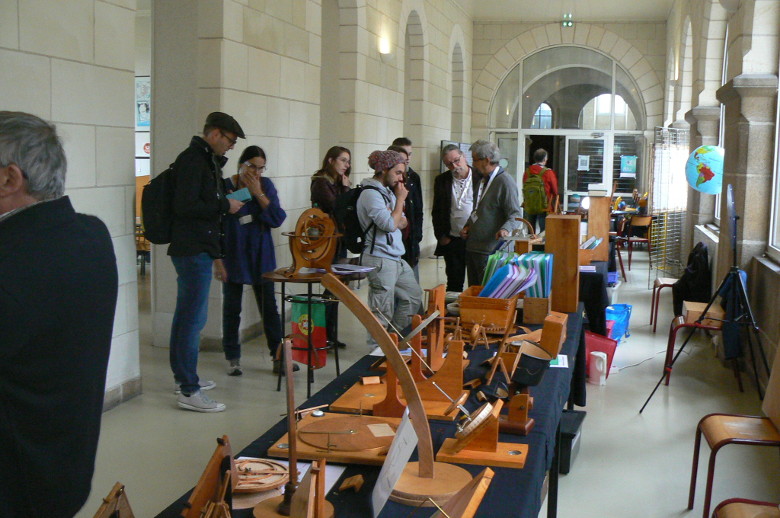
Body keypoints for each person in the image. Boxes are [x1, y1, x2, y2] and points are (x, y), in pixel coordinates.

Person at [0, 111, 118, 516]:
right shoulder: (91, 234)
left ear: (9, 179)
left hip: (14, 483)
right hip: (64, 468)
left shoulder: (11, 264)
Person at [168, 111, 245, 412]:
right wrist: (226, 204)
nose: (230, 147)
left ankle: (183, 378)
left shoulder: (204, 160)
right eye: (229, 141)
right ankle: (189, 390)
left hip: (196, 247)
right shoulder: (193, 160)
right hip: (192, 248)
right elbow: (186, 205)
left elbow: (206, 200)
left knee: (187, 317)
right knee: (192, 320)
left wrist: (237, 194)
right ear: (214, 134)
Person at [213, 146, 288, 376]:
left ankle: (278, 356)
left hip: (260, 253)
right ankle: (233, 358)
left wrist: (258, 193)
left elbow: (277, 218)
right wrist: (217, 261)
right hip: (233, 253)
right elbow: (215, 225)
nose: (256, 172)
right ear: (241, 164)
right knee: (232, 307)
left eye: (260, 168)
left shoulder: (266, 186)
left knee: (269, 308)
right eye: (252, 166)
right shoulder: (225, 186)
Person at [358, 149, 423, 347]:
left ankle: (393, 342)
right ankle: (374, 353)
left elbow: (402, 221)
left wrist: (394, 216)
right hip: (379, 259)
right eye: (397, 172)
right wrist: (399, 203)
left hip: (395, 257)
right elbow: (389, 224)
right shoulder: (370, 194)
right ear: (383, 170)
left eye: (403, 173)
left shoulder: (387, 192)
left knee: (413, 297)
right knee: (381, 312)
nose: (401, 178)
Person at [461, 140, 522, 286]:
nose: (473, 164)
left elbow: (516, 214)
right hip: (473, 247)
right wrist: (468, 226)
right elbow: (480, 209)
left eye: (475, 160)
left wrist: (505, 229)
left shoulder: (505, 182)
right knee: (474, 293)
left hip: (490, 251)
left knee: (487, 295)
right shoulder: (482, 179)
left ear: (487, 160)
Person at [310, 146, 352, 349]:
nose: (347, 165)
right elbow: (337, 206)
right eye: (343, 160)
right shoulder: (320, 182)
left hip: (338, 239)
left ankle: (330, 335)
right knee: (331, 288)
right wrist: (345, 189)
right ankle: (324, 335)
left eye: (348, 161)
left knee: (336, 289)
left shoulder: (335, 182)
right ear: (330, 160)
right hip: (327, 242)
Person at [432, 144, 481, 292]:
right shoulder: (442, 180)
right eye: (449, 164)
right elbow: (437, 210)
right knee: (454, 281)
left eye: (456, 160)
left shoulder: (480, 177)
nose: (454, 166)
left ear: (464, 157)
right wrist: (441, 236)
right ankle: (452, 312)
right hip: (452, 239)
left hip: (476, 239)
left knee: (477, 281)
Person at [391, 137, 424, 279]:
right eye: (403, 157)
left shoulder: (413, 177)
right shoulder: (389, 181)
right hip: (396, 239)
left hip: (411, 237)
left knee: (411, 282)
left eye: (410, 155)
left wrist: (417, 235)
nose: (407, 160)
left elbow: (418, 209)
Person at [522, 148, 559, 233]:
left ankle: (531, 246)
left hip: (529, 205)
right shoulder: (548, 172)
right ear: (545, 159)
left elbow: (524, 186)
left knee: (530, 232)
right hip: (544, 206)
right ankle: (541, 246)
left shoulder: (527, 172)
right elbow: (555, 190)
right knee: (544, 232)